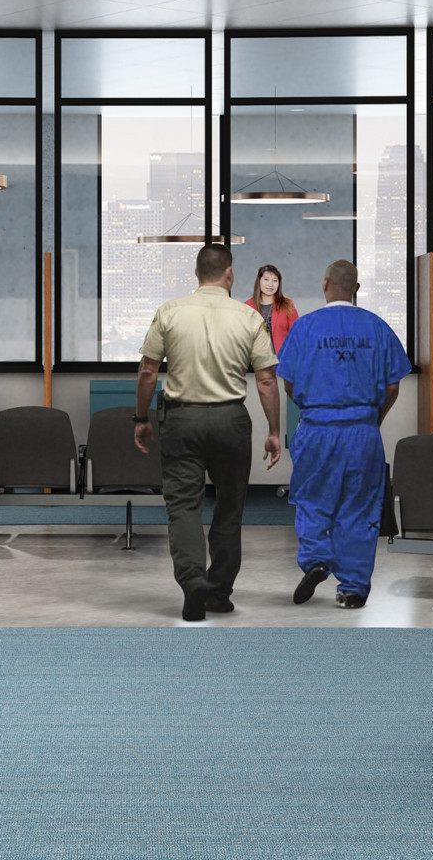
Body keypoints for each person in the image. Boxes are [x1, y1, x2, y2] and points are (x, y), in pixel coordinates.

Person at [134, 243, 282, 622]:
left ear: (197, 274)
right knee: (230, 509)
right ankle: (218, 592)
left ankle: (192, 581)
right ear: (228, 273)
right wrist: (274, 430)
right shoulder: (248, 318)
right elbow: (266, 378)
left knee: (183, 505)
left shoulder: (170, 311)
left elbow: (149, 370)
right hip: (231, 421)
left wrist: (141, 418)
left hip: (182, 421)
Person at [276, 259, 410, 609]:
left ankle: (317, 558)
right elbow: (393, 386)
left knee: (312, 498)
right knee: (360, 505)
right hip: (363, 432)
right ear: (356, 289)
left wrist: (314, 409)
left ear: (325, 284)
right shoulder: (377, 327)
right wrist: (371, 419)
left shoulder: (305, 328)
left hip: (317, 429)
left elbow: (288, 382)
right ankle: (352, 589)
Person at [242, 264, 299, 354]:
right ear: (259, 281)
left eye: (275, 281)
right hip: (254, 361)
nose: (270, 284)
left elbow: (296, 335)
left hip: (281, 360)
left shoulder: (287, 304)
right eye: (266, 279)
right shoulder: (246, 307)